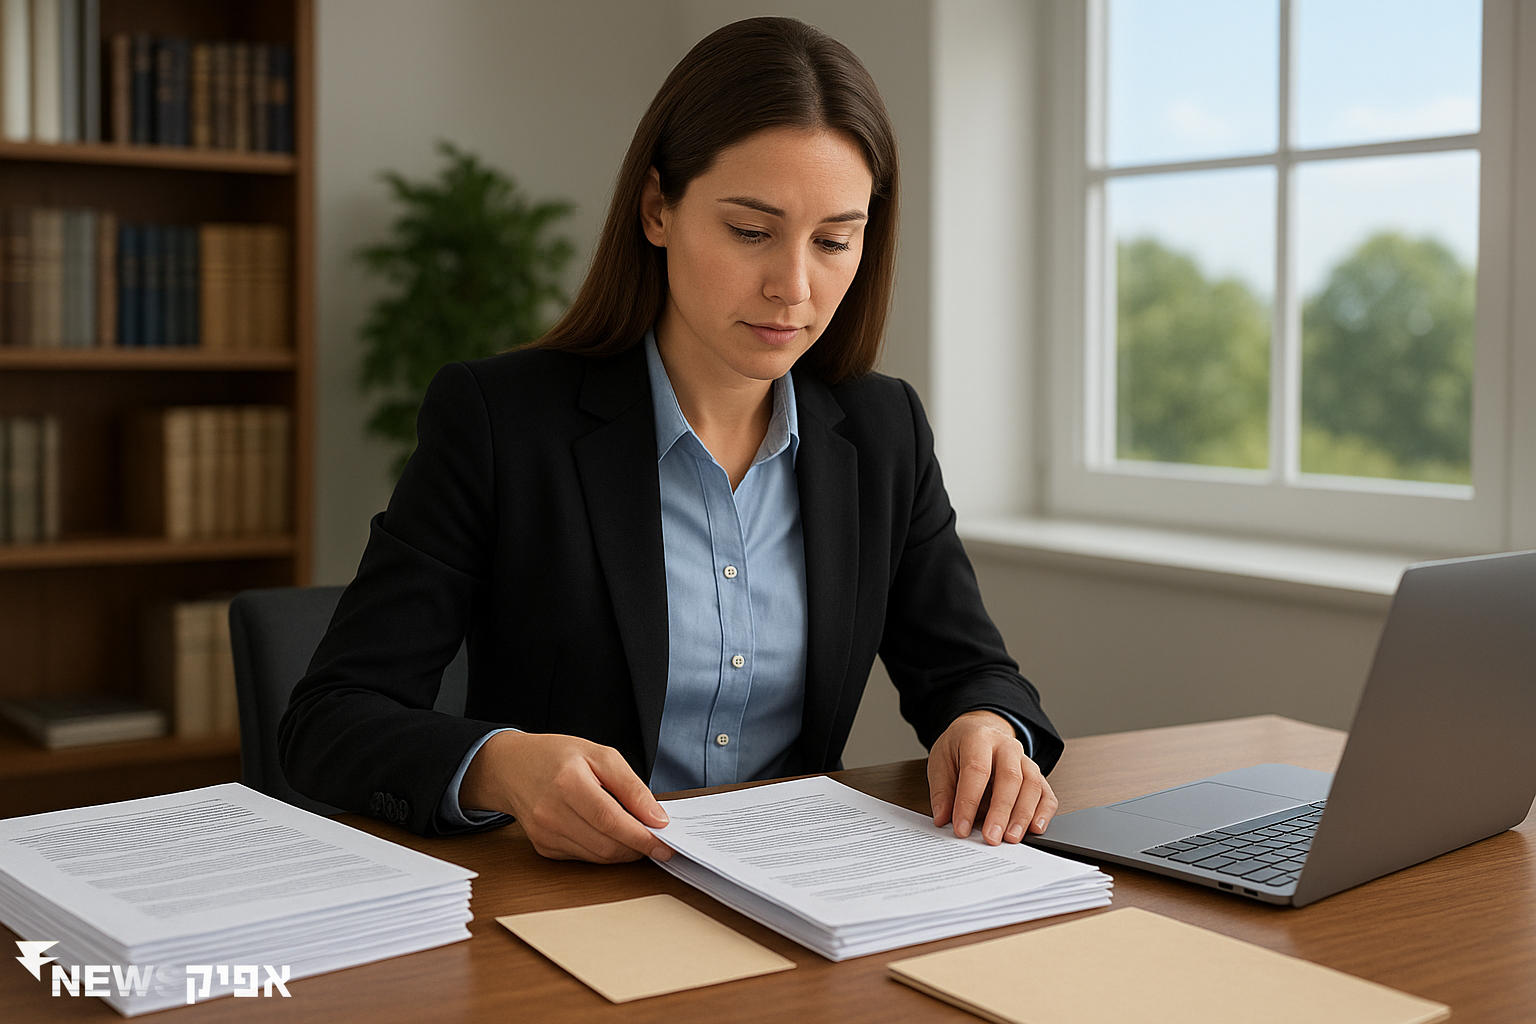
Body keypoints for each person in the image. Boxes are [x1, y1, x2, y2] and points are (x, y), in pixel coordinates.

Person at [280, 16, 1063, 865]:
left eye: (835, 240)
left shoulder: (883, 432)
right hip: (570, 906)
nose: (793, 286)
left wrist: (987, 725)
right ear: (658, 208)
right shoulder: (500, 421)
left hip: (802, 899)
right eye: (751, 231)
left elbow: (971, 671)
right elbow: (330, 718)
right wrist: (500, 768)